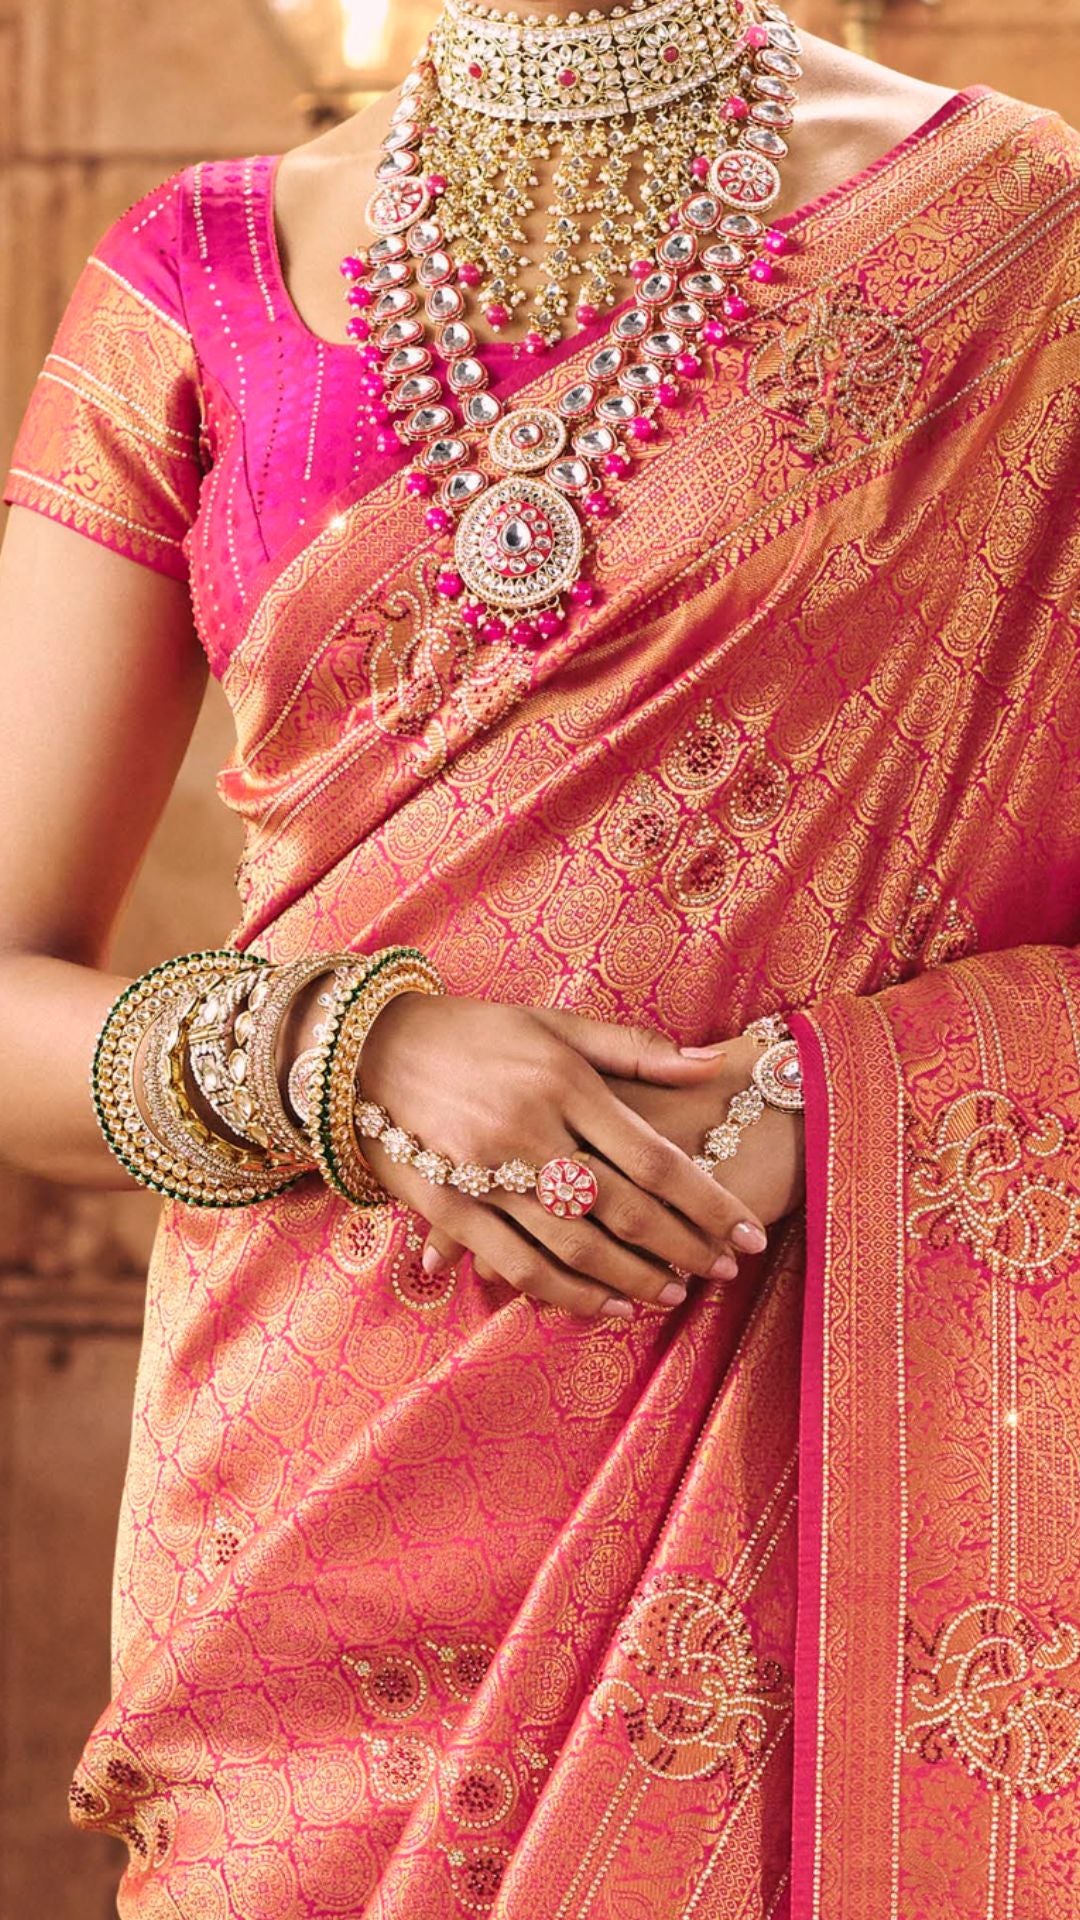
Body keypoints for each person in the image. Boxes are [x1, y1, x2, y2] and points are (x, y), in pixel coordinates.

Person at [1, 0, 1079, 1912]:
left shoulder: (1028, 243)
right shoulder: (201, 272)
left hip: (805, 1445)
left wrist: (817, 1111)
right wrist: (354, 1065)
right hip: (304, 1500)